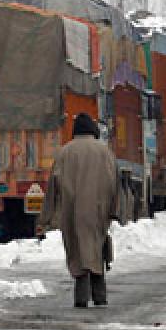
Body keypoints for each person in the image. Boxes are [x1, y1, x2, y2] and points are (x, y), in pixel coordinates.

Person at [38, 113, 119, 308]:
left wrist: (45, 218)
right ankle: (100, 295)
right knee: (96, 249)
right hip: (98, 210)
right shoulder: (104, 152)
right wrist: (114, 210)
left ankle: (81, 297)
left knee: (77, 252)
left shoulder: (64, 153)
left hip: (71, 210)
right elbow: (115, 182)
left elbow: (52, 189)